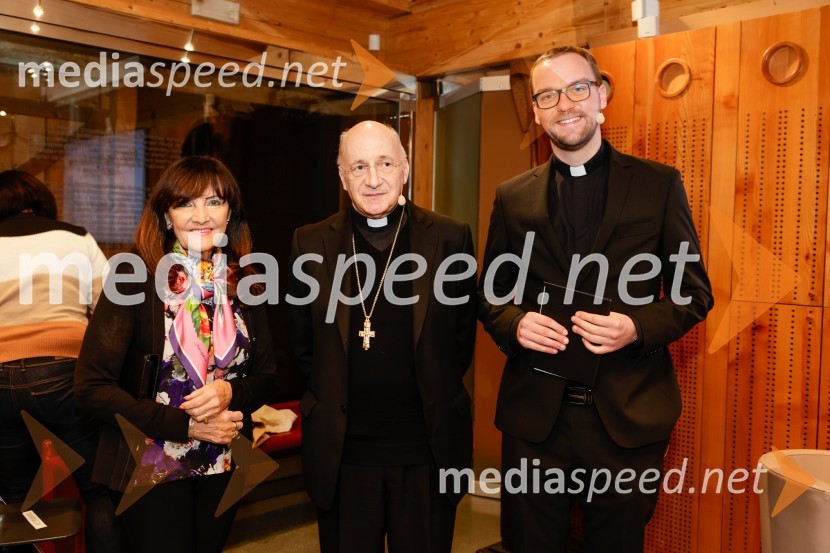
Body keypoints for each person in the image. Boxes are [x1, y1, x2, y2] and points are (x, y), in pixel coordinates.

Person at [477, 46, 714, 552]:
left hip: (625, 418)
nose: (565, 104)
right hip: (534, 420)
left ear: (601, 94)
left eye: (577, 88)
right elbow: (491, 294)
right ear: (537, 113)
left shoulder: (657, 185)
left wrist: (637, 327)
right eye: (548, 95)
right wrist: (514, 324)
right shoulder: (512, 196)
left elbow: (693, 294)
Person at [288, 121, 477, 553]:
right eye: (359, 166)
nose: (373, 179)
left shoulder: (450, 238)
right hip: (344, 457)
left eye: (385, 163)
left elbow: (460, 341)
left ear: (405, 168)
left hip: (427, 452)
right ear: (342, 176)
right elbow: (301, 348)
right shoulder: (309, 243)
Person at [75, 156, 278, 553]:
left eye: (215, 202)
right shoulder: (133, 277)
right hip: (149, 461)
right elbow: (92, 388)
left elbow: (269, 376)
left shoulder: (245, 281)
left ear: (230, 213)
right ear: (167, 216)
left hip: (225, 457)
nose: (201, 215)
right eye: (186, 203)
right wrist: (185, 426)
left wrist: (229, 394)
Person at [0, 170, 124, 552]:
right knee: (99, 490)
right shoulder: (75, 237)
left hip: (0, 379)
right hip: (65, 371)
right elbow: (109, 307)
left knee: (15, 500)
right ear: (39, 198)